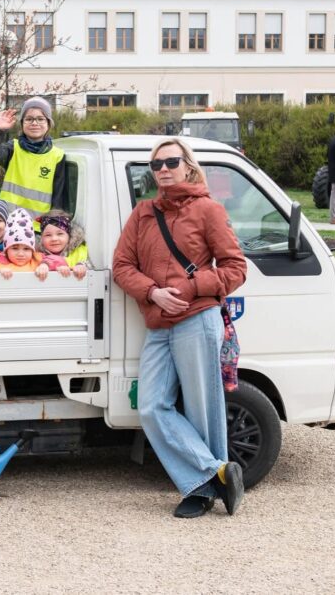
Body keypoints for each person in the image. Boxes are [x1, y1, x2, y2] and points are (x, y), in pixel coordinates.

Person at [111, 138, 248, 519]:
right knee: (153, 406)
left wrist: (187, 288)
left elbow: (235, 269)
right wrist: (153, 292)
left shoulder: (208, 210)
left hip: (196, 319)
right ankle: (217, 471)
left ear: (188, 165)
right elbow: (122, 266)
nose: (163, 170)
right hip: (158, 322)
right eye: (156, 165)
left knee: (204, 409)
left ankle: (201, 491)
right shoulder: (143, 213)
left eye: (171, 162)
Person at [0, 97, 67, 221]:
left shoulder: (57, 156)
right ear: (22, 124)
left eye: (40, 119)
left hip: (38, 228)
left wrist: (53, 224)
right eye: (29, 119)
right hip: (9, 224)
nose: (34, 123)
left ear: (48, 123)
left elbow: (58, 198)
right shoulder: (13, 148)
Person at [0, 208, 52, 280]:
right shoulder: (0, 260)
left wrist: (45, 265)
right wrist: (0, 271)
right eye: (15, 248)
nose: (20, 254)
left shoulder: (37, 258)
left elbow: (57, 260)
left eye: (26, 248)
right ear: (6, 250)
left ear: (32, 250)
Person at [37, 209, 89, 280]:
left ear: (69, 235)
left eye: (60, 234)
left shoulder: (79, 251)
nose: (54, 239)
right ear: (42, 238)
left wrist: (81, 267)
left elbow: (92, 267)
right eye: (48, 235)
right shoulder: (35, 255)